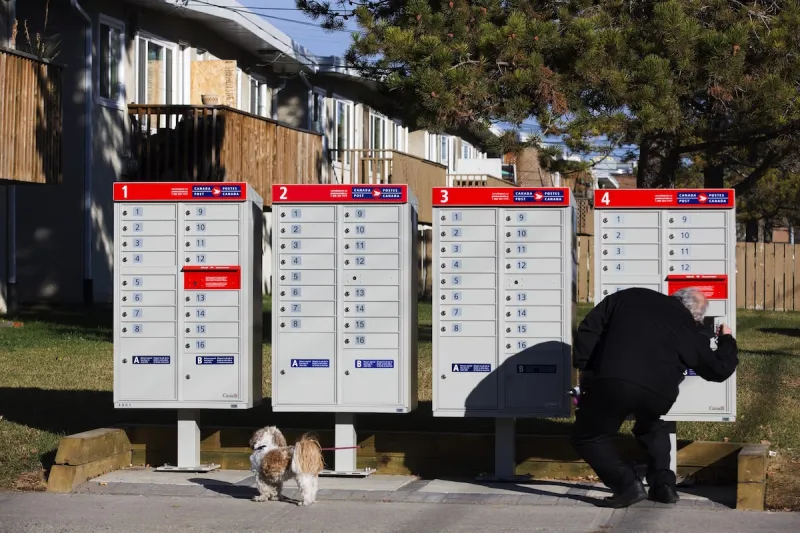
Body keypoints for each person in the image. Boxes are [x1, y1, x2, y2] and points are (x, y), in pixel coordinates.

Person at [570, 287, 739, 508]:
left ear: (676, 297)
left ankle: (627, 484)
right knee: (651, 426)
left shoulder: (627, 296)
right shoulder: (686, 325)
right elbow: (718, 369)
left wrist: (586, 370)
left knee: (588, 436)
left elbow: (589, 330)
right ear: (694, 315)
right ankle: (664, 486)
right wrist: (726, 339)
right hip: (659, 393)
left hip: (616, 381)